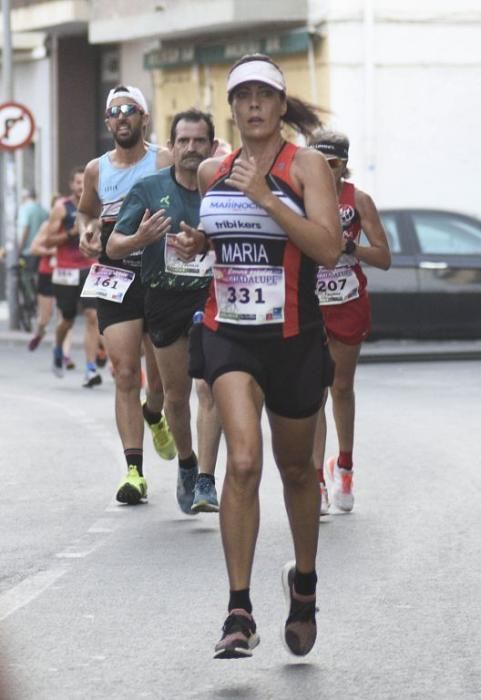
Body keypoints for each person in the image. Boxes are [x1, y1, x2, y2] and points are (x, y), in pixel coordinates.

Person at [174, 54, 342, 658]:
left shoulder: (308, 167)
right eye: (242, 96)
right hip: (230, 332)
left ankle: (303, 584)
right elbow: (214, 241)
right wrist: (197, 242)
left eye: (263, 96)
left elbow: (327, 249)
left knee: (296, 470)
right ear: (233, 107)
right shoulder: (213, 169)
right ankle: (238, 610)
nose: (253, 106)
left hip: (294, 336)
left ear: (279, 105)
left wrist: (269, 200)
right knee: (242, 462)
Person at [106, 108, 222, 514]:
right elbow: (113, 246)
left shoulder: (222, 187)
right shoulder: (149, 188)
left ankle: (206, 480)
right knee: (176, 395)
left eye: (199, 141)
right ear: (171, 146)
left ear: (212, 145)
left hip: (211, 296)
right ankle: (187, 463)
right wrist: (139, 237)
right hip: (164, 297)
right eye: (184, 141)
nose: (191, 149)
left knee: (209, 386)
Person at [77, 84, 176, 506]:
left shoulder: (163, 160)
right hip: (115, 273)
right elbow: (86, 209)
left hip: (158, 273)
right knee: (122, 373)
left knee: (162, 384)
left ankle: (155, 414)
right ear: (107, 123)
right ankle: (134, 471)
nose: (121, 117)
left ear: (144, 118)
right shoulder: (97, 169)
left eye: (129, 110)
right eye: (114, 112)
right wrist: (86, 228)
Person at [308, 129, 391, 514]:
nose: (326, 172)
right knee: (314, 394)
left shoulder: (357, 199)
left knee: (340, 387)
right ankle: (317, 485)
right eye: (319, 164)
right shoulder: (299, 196)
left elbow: (384, 257)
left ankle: (344, 467)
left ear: (345, 163)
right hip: (308, 302)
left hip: (346, 301)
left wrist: (349, 247)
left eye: (334, 164)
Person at [44, 167, 102, 387]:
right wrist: (71, 234)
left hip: (90, 267)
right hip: (66, 270)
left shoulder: (97, 206)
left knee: (92, 316)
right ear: (72, 185)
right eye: (78, 182)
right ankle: (58, 347)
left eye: (84, 182)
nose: (81, 186)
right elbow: (48, 240)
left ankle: (90, 368)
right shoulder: (62, 208)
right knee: (66, 320)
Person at [28, 193, 74, 365]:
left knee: (65, 316)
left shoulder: (73, 226)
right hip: (47, 273)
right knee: (45, 318)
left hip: (65, 273)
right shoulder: (47, 226)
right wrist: (53, 252)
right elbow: (34, 248)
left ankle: (64, 353)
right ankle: (39, 332)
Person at [17, 188, 48, 273]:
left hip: (27, 252)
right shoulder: (44, 211)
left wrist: (18, 250)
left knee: (26, 279)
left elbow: (25, 229)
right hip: (41, 252)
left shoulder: (24, 209)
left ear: (26, 197)